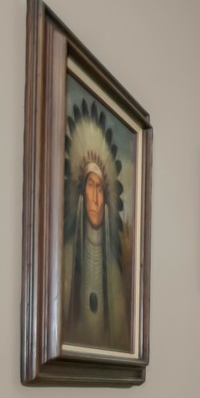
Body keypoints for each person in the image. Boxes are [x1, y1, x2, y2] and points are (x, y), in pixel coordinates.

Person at [61, 112, 132, 353]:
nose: (95, 197)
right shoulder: (66, 256)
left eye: (100, 188)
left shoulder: (113, 271)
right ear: (81, 194)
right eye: (90, 186)